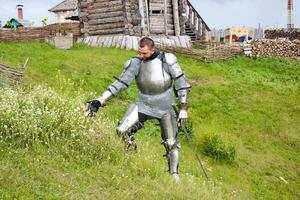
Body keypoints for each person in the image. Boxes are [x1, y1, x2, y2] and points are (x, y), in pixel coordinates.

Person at [87, 37, 191, 181]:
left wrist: (183, 107)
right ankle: (131, 153)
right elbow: (120, 83)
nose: (142, 56)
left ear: (153, 50)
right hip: (144, 103)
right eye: (140, 52)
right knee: (122, 130)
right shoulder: (135, 63)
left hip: (165, 105)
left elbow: (181, 83)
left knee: (171, 142)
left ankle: (174, 175)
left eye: (145, 53)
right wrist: (100, 100)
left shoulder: (167, 60)